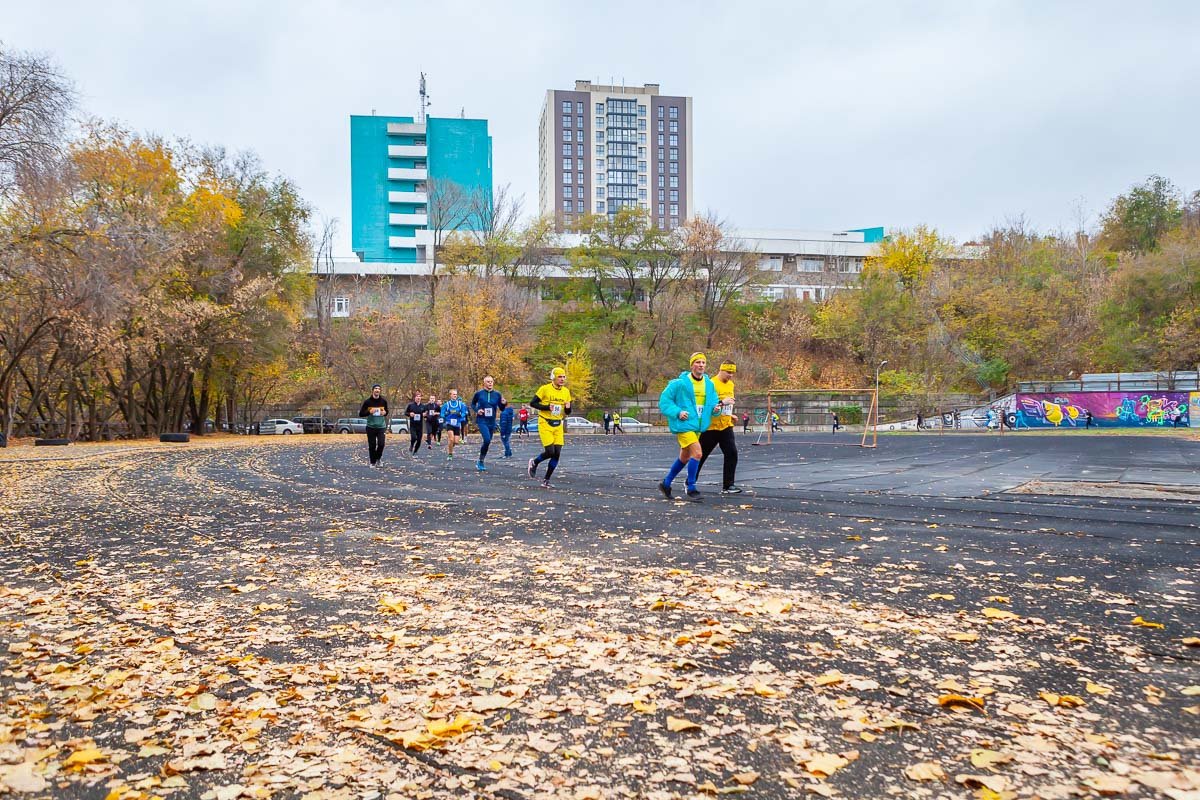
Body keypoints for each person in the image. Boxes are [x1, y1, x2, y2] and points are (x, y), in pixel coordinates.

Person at [658, 353, 721, 502]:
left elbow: (713, 403)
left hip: (698, 426)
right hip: (684, 425)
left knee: (685, 457)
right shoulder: (679, 383)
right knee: (698, 453)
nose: (701, 365)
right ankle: (691, 487)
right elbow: (664, 401)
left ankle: (666, 484)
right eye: (698, 362)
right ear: (692, 365)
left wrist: (715, 409)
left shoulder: (709, 384)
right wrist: (678, 412)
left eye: (703, 362)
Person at [697, 361, 742, 494]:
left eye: (733, 373)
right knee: (701, 455)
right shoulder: (710, 384)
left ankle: (728, 485)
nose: (731, 375)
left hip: (725, 426)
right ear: (721, 370)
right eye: (728, 372)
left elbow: (728, 405)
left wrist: (730, 415)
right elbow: (706, 405)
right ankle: (690, 481)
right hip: (711, 427)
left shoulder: (731, 384)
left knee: (732, 453)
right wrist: (722, 402)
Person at [528, 367, 572, 488]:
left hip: (558, 424)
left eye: (564, 377)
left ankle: (546, 480)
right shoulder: (545, 389)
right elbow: (533, 403)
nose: (562, 379)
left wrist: (568, 407)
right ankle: (534, 462)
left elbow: (568, 412)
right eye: (560, 377)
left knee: (557, 453)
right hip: (545, 423)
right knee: (550, 451)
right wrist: (547, 407)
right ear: (554, 378)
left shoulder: (566, 392)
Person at [471, 376, 505, 472]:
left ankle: (481, 460)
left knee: (488, 441)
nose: (490, 383)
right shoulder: (479, 394)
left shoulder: (497, 394)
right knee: (486, 439)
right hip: (482, 420)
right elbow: (473, 404)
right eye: (488, 382)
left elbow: (501, 408)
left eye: (491, 382)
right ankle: (481, 461)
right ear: (484, 383)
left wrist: (503, 403)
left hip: (492, 421)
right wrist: (478, 410)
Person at [359, 384, 389, 467]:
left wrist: (385, 413)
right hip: (371, 427)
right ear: (372, 390)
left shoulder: (383, 401)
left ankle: (378, 458)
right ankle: (372, 462)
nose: (377, 390)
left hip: (381, 426)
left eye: (379, 389)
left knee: (381, 444)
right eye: (376, 388)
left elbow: (386, 411)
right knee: (372, 445)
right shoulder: (368, 402)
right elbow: (361, 414)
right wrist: (369, 412)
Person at [439, 389, 469, 462]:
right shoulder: (447, 404)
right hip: (449, 423)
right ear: (450, 395)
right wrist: (445, 414)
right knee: (451, 439)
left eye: (456, 394)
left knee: (456, 442)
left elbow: (464, 412)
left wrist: (461, 414)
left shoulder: (460, 404)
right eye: (453, 394)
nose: (455, 396)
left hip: (457, 424)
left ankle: (450, 448)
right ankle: (450, 454)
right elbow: (442, 414)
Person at [405, 391, 426, 456]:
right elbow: (406, 413)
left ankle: (415, 451)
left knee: (419, 440)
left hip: (420, 425)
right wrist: (410, 414)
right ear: (415, 398)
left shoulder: (423, 406)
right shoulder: (410, 405)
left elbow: (426, 414)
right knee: (414, 437)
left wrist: (425, 415)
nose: (418, 398)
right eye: (417, 396)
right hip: (413, 425)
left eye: (420, 396)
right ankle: (411, 445)